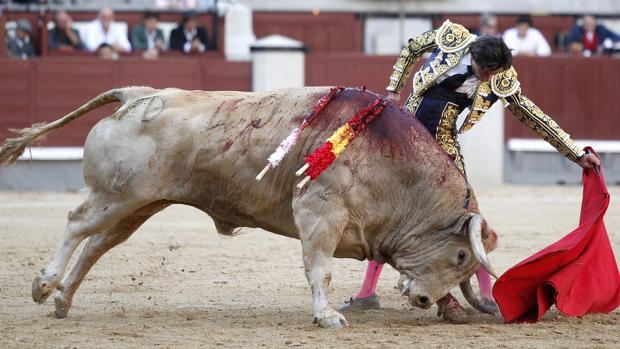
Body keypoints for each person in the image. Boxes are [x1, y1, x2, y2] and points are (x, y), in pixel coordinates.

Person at [341, 20, 600, 322]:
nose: (489, 77)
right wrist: (394, 90)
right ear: (474, 55)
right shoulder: (453, 38)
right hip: (406, 132)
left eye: (493, 73)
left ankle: (487, 293)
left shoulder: (501, 78)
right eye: (484, 71)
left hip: (442, 142)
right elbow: (412, 48)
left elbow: (532, 115)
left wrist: (575, 153)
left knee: (465, 213)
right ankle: (367, 292)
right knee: (388, 209)